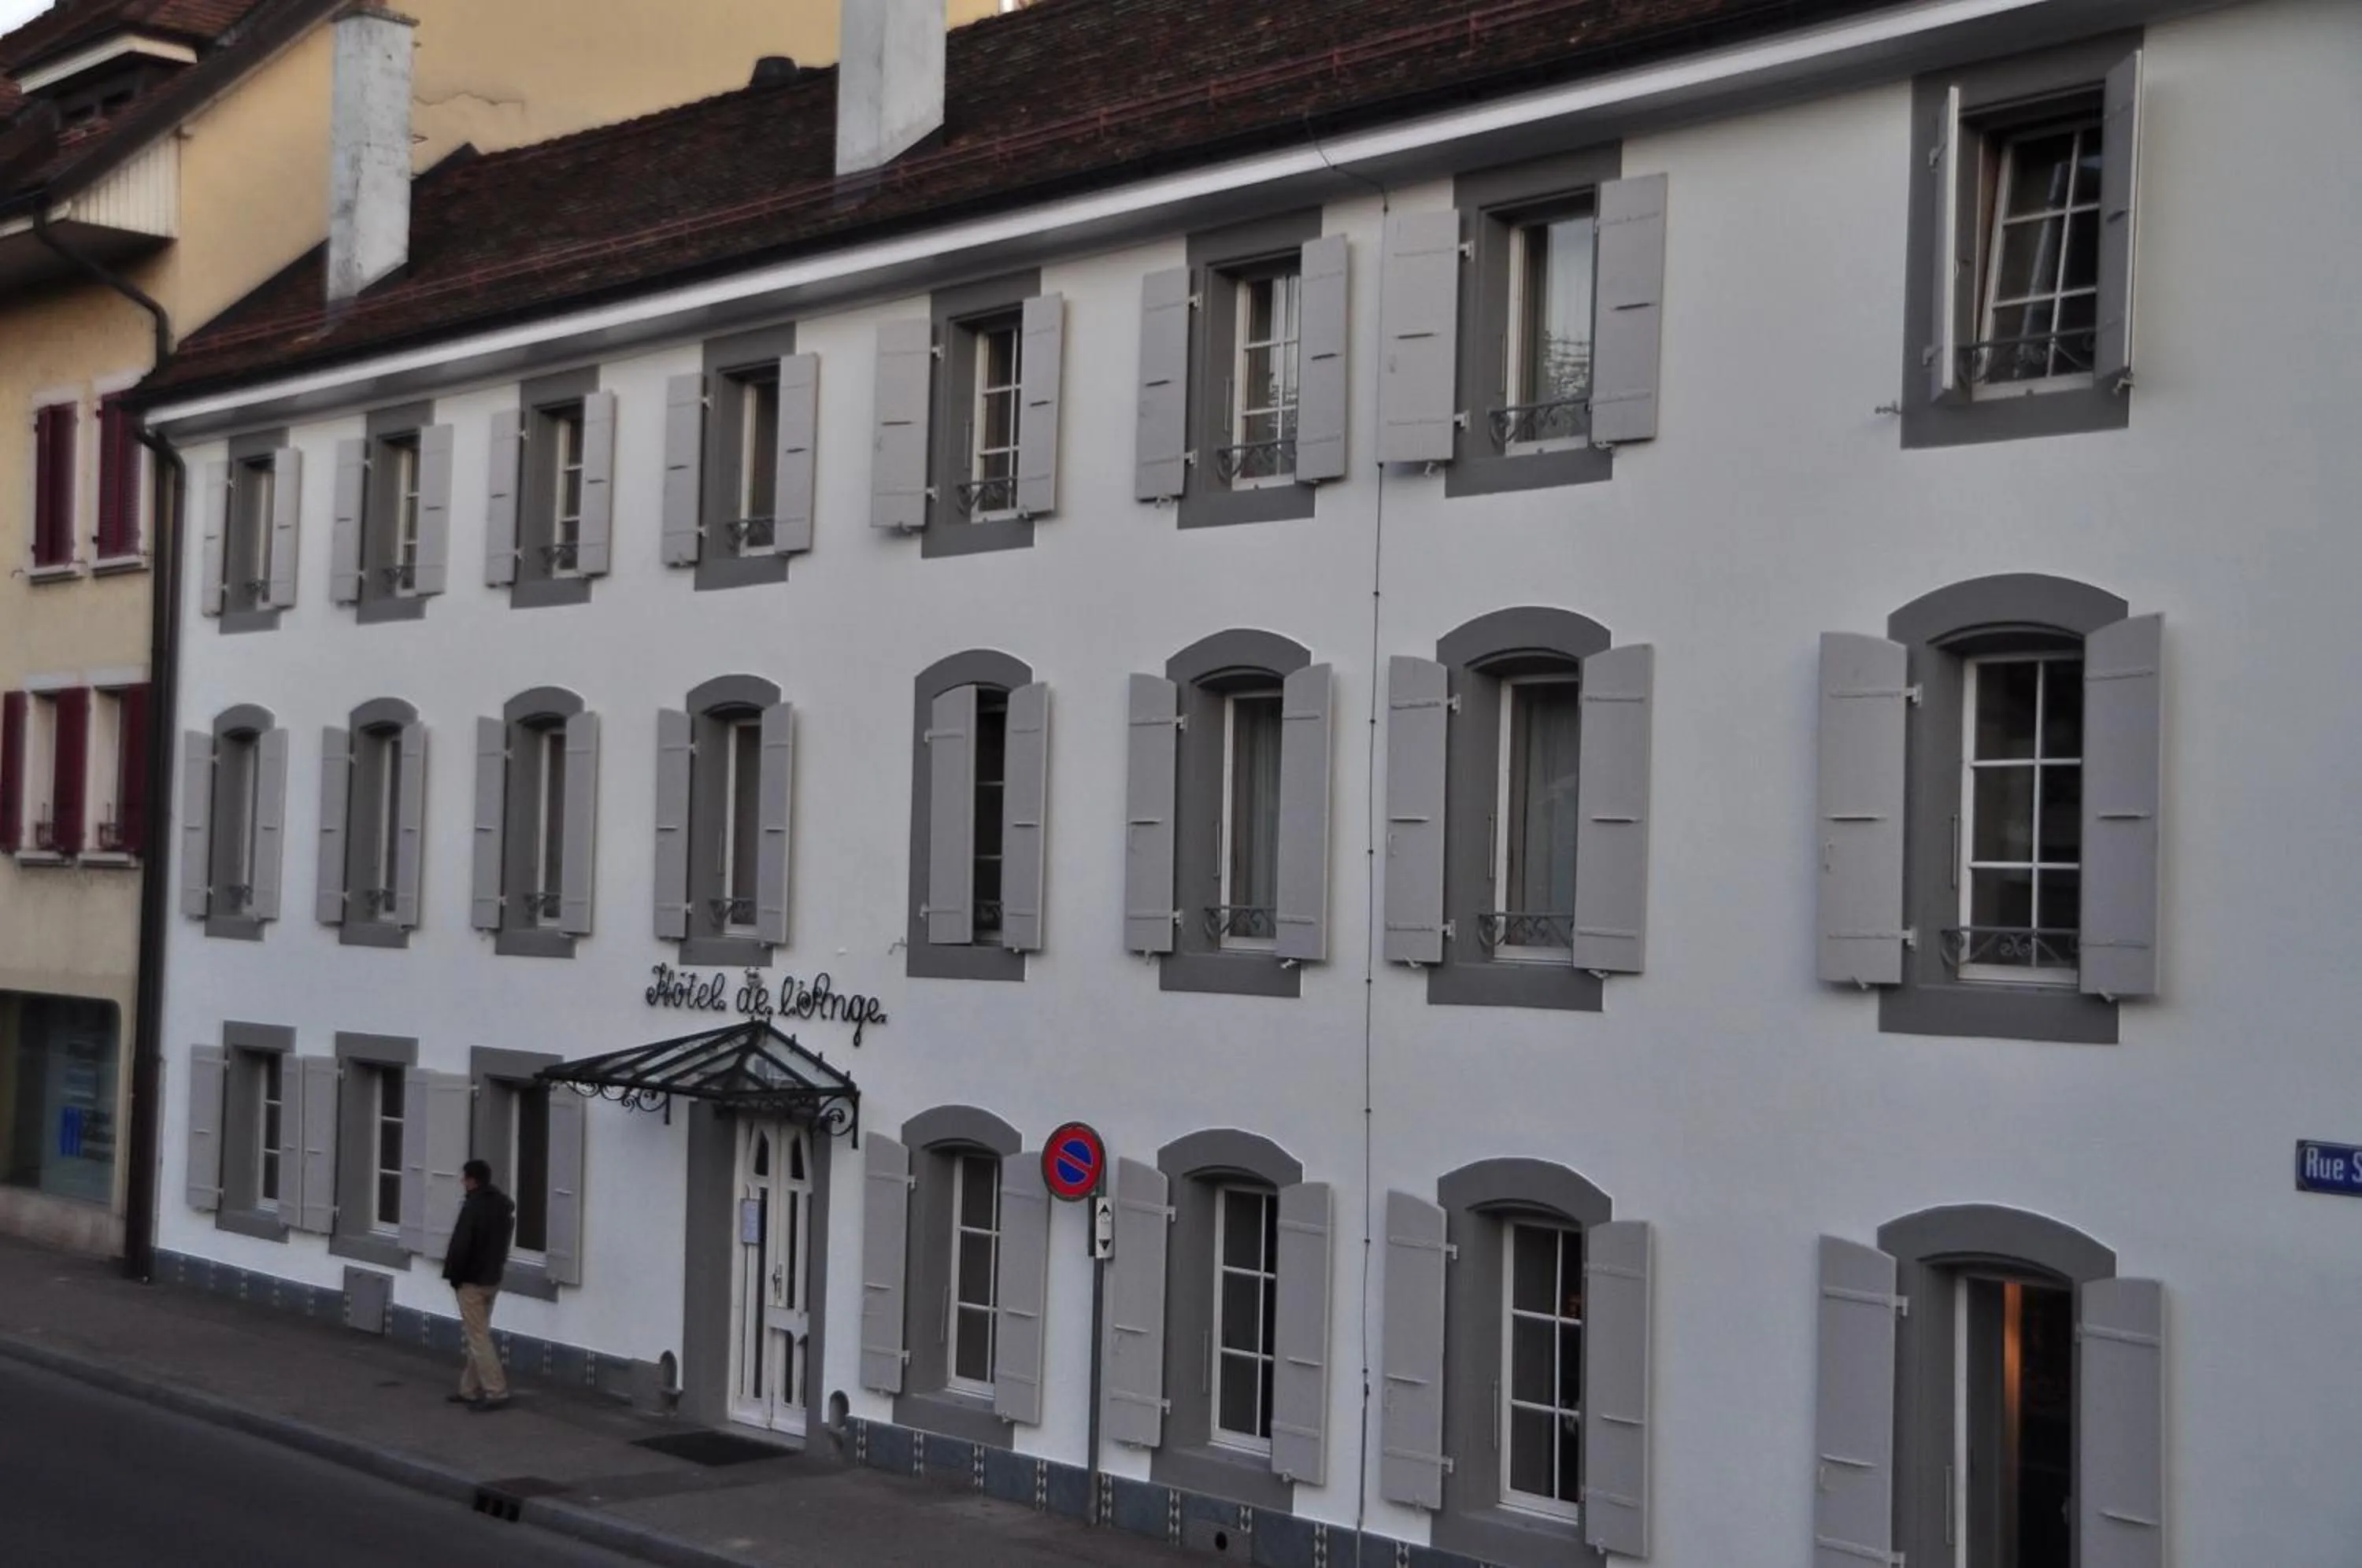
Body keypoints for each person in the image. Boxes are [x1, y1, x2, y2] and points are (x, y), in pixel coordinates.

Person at [442, 1157, 516, 1412]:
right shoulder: (503, 1207)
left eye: (464, 1178)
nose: (463, 1182)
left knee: (478, 1337)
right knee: (479, 1333)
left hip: (471, 1280)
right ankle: (468, 1389)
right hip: (492, 1278)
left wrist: (454, 1276)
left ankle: (496, 1391)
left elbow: (461, 1246)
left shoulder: (473, 1207)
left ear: (472, 1180)